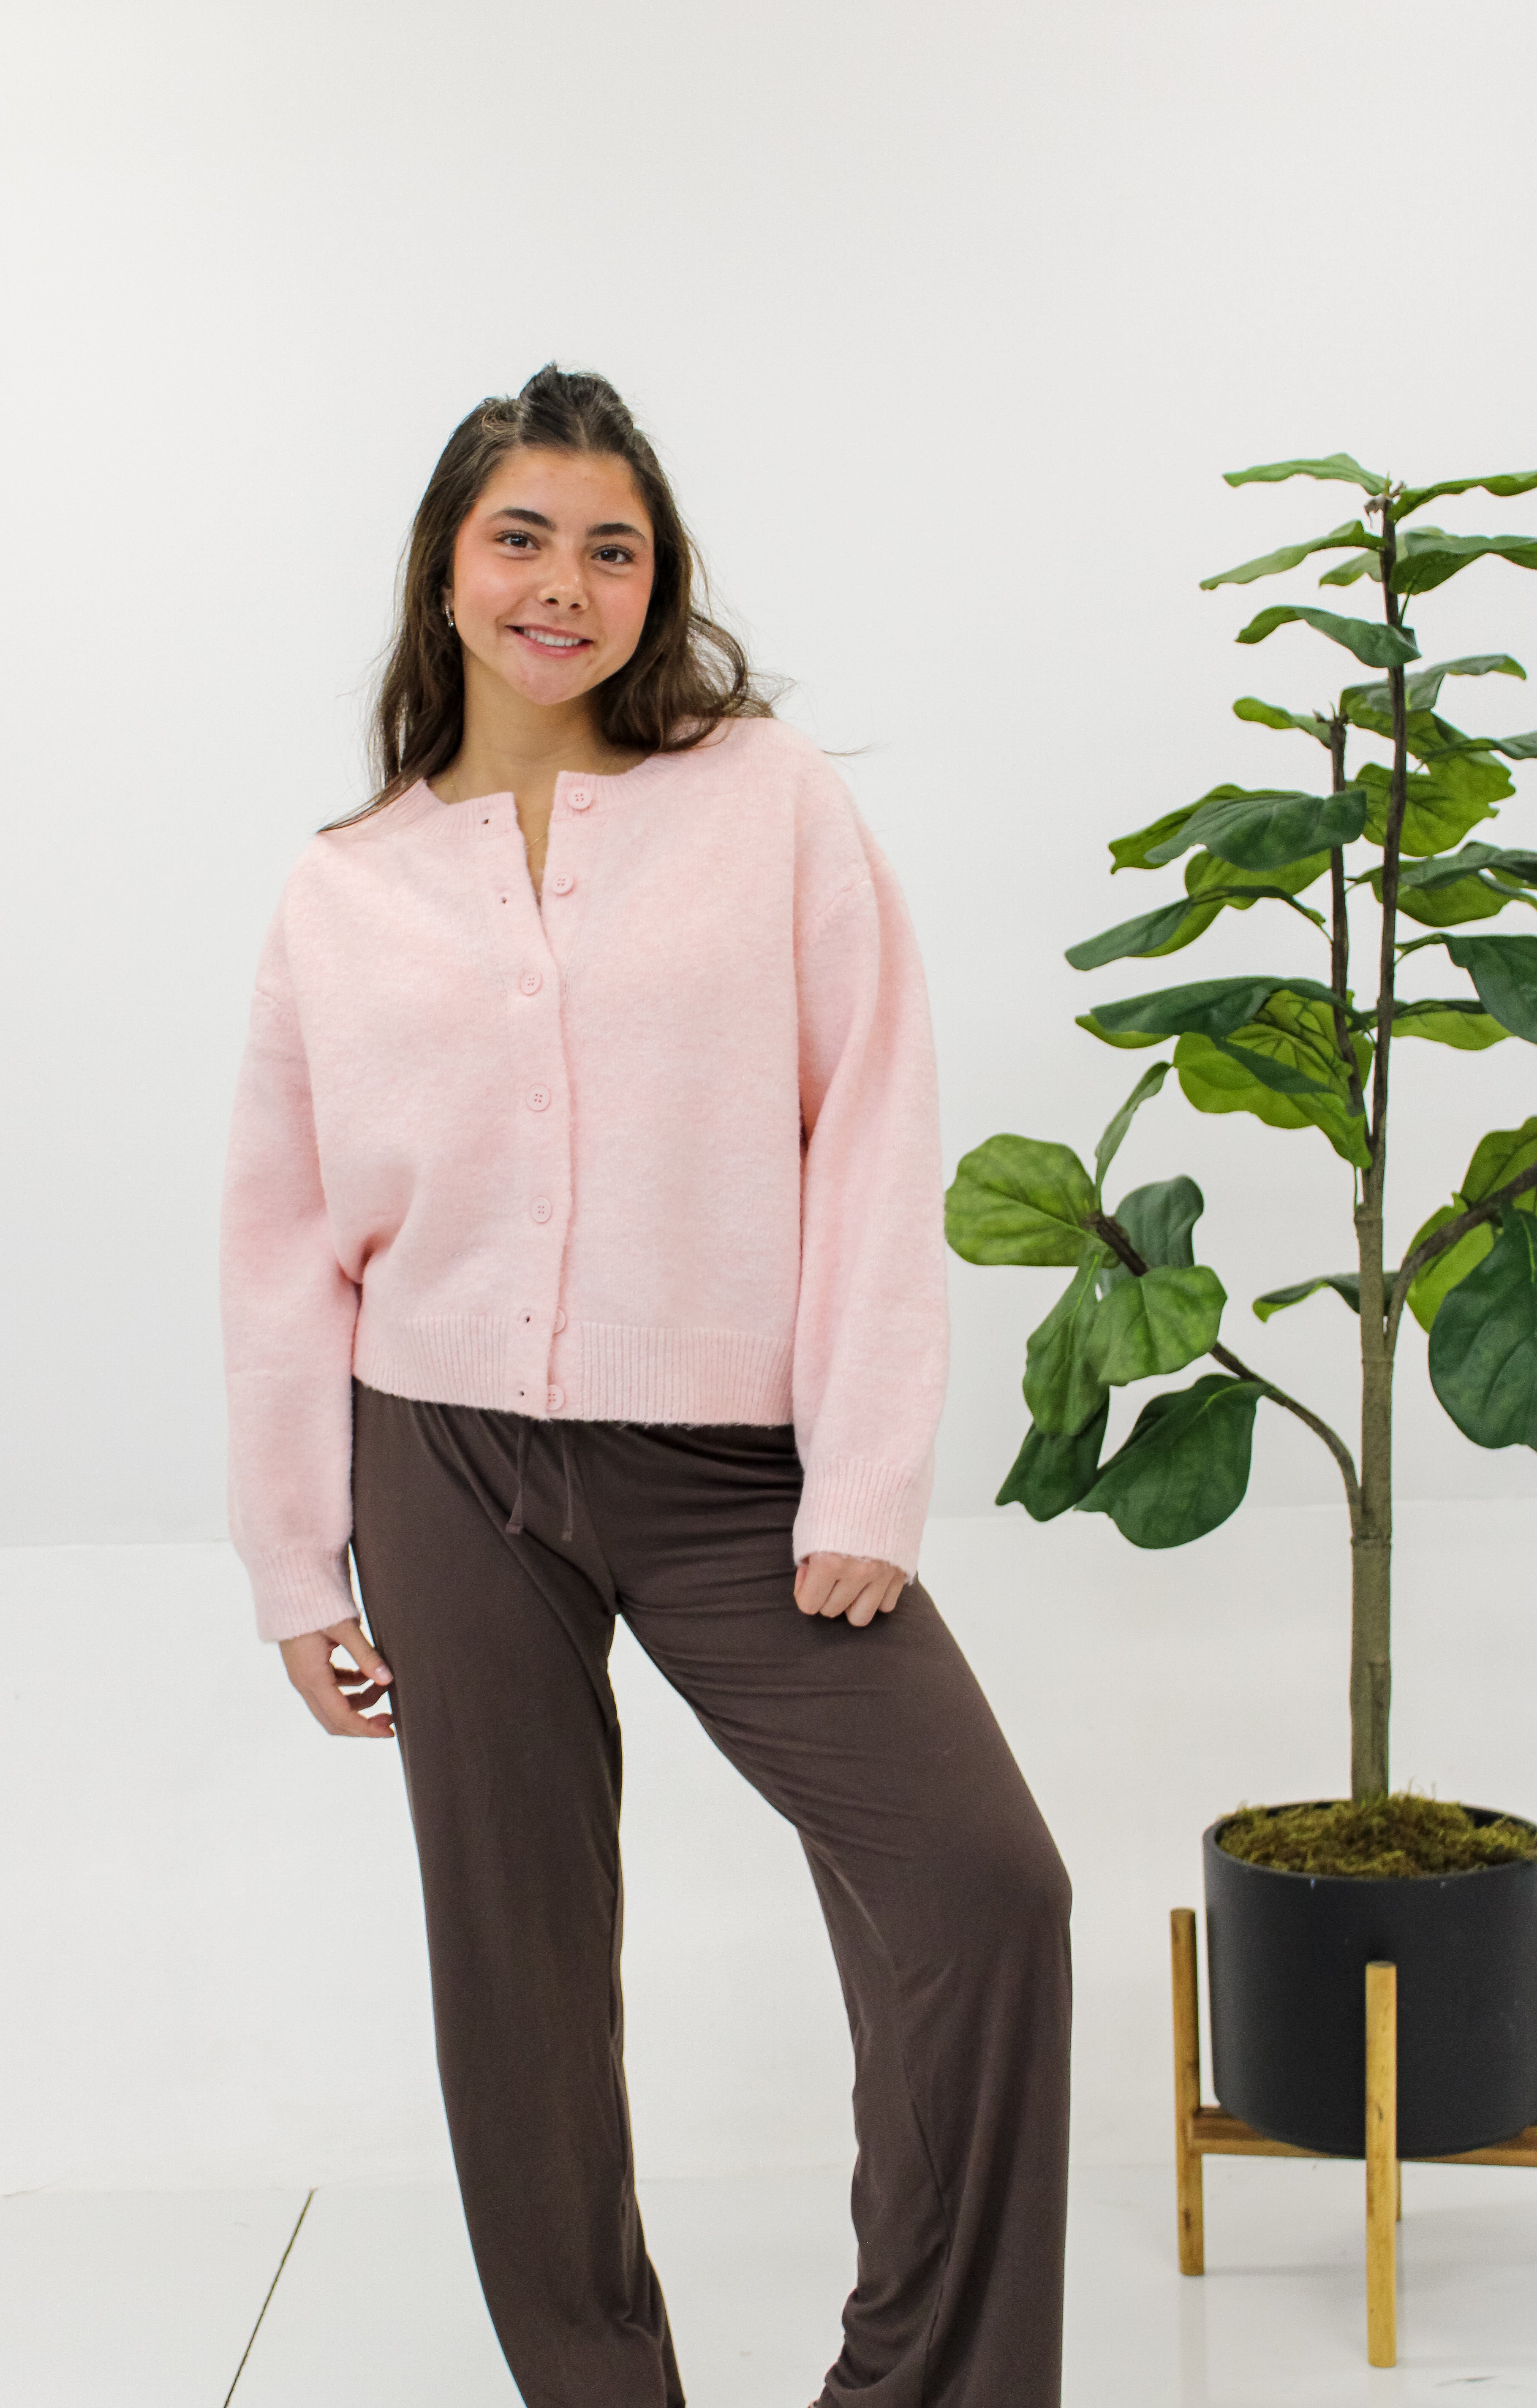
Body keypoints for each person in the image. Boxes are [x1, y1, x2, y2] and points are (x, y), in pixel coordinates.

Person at [220, 364, 1072, 2408]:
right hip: (444, 1466)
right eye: (520, 537)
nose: (564, 584)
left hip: (734, 1471)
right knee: (517, 1985)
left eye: (613, 549)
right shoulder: (344, 883)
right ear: (445, 567)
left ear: (656, 583)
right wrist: (295, 1565)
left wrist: (861, 1474)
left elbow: (873, 1120)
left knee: (983, 1889)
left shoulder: (764, 799)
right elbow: (280, 1236)